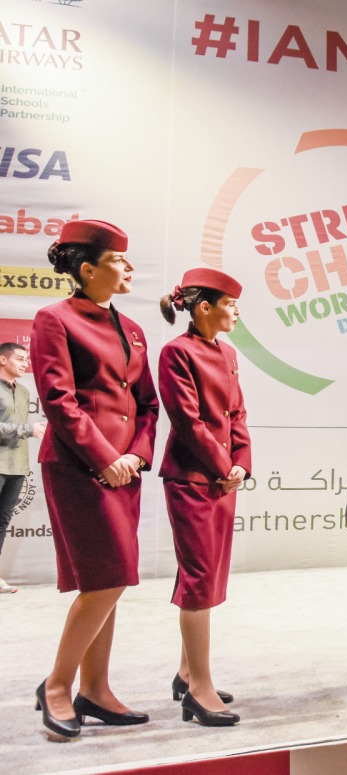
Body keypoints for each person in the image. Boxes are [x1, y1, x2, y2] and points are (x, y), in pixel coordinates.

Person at [31, 220, 159, 740]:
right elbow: (59, 401)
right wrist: (105, 457)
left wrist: (136, 455)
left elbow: (147, 404)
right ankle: (58, 685)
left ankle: (96, 688)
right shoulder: (54, 319)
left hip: (124, 469)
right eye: (118, 260)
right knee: (108, 578)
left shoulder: (132, 328)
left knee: (109, 579)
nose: (129, 268)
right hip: (80, 467)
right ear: (87, 269)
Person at [157, 268, 250, 727]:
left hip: (222, 480)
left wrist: (241, 465)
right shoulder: (176, 352)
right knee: (197, 581)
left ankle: (185, 672)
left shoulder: (229, 353)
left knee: (207, 578)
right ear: (204, 307)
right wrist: (222, 466)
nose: (237, 311)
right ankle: (198, 688)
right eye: (230, 303)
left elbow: (238, 414)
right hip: (192, 478)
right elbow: (187, 421)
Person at [0, 342, 47, 594]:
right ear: (2, 360)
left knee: (2, 521)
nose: (24, 363)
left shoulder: (25, 391)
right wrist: (27, 430)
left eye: (26, 358)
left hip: (17, 467)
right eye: (19, 358)